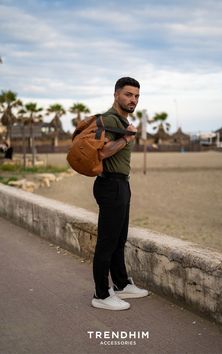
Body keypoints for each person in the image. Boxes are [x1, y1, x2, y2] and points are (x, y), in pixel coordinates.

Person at [92, 77, 149, 311]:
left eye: (136, 96)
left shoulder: (122, 120)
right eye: (128, 94)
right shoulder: (108, 119)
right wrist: (126, 137)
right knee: (107, 242)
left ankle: (121, 283)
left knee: (119, 239)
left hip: (121, 184)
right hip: (110, 186)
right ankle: (101, 294)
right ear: (116, 94)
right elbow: (103, 152)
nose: (133, 99)